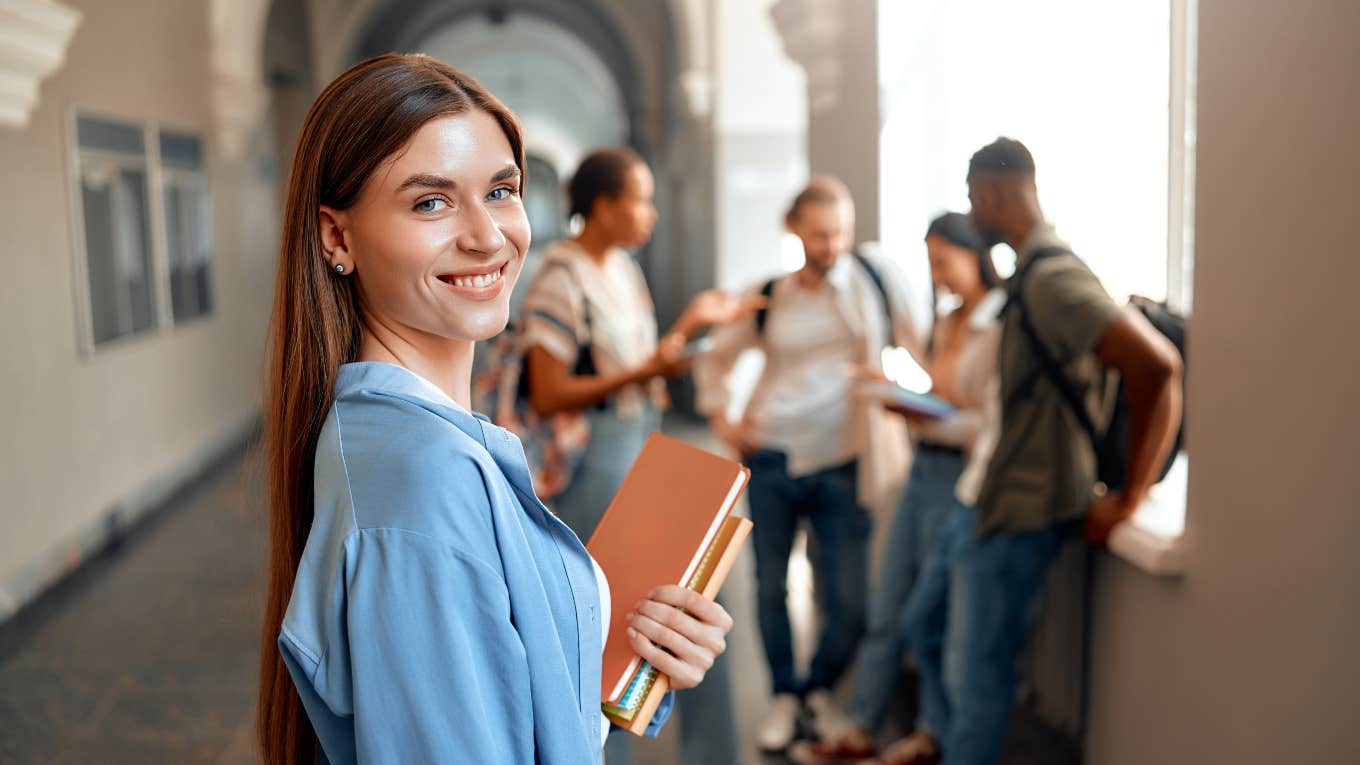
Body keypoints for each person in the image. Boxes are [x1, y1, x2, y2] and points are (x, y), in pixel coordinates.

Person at [255, 54, 734, 765]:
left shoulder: (413, 440)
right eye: (431, 202)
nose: (487, 236)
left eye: (501, 191)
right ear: (337, 237)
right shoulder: (425, 479)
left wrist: (618, 655)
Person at [892, 138, 1183, 765]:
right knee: (923, 628)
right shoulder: (1031, 274)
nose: (972, 211)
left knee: (980, 677)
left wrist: (1132, 493)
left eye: (974, 198)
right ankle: (940, 743)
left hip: (1020, 510)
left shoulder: (1053, 277)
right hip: (986, 495)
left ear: (996, 193)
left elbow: (1158, 367)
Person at [519, 147, 759, 765]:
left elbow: (641, 367)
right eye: (640, 199)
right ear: (602, 206)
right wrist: (649, 368)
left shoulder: (622, 270)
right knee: (615, 626)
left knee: (696, 609)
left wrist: (691, 326)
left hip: (640, 447)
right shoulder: (560, 277)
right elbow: (547, 392)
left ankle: (714, 753)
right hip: (594, 464)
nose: (650, 213)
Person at [693, 176, 921, 752]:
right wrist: (724, 419)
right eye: (820, 234)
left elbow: (922, 347)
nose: (832, 245)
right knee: (771, 588)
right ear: (793, 230)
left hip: (843, 461)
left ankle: (818, 688)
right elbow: (713, 357)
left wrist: (898, 383)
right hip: (771, 458)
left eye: (840, 232)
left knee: (851, 601)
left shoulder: (871, 283)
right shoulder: (769, 295)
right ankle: (784, 696)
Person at [815, 213, 1005, 760]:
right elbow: (937, 390)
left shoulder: (998, 327)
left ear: (974, 255)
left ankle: (930, 732)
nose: (937, 274)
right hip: (921, 467)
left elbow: (987, 423)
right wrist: (896, 391)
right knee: (890, 600)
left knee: (935, 613)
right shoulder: (946, 320)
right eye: (930, 262)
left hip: (959, 476)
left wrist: (924, 414)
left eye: (944, 261)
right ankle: (862, 725)